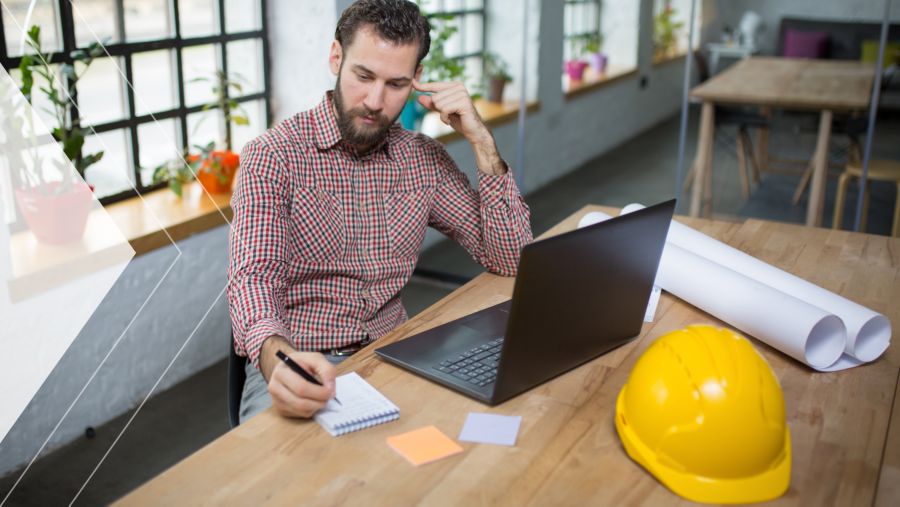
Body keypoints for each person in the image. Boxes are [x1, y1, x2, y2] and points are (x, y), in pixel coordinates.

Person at [227, 0, 532, 423]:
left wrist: (482, 141)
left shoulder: (423, 159)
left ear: (417, 81)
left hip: (395, 353)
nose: (374, 100)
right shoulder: (273, 156)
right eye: (363, 76)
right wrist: (279, 361)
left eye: (395, 84)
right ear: (336, 57)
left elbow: (511, 257)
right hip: (301, 358)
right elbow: (253, 279)